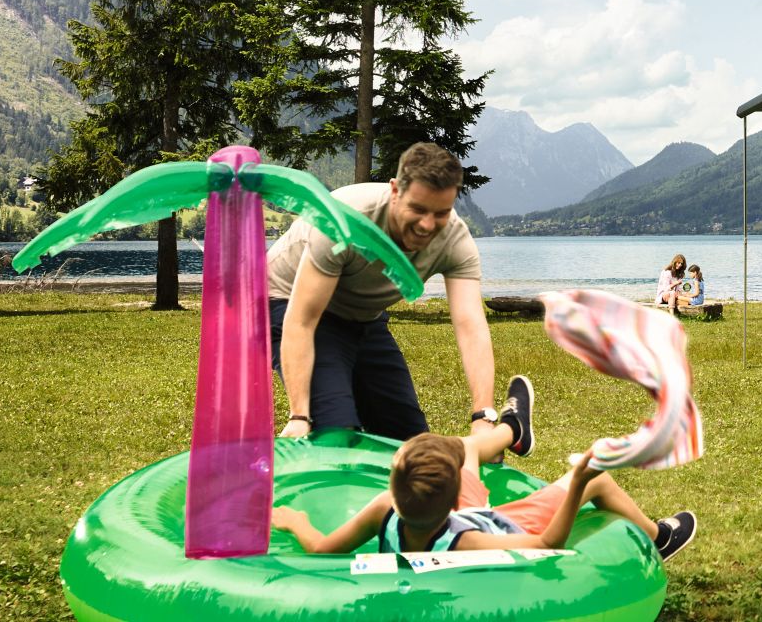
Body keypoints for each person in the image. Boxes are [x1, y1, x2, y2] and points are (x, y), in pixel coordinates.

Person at [270, 386, 697, 560]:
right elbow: (548, 544)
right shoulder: (468, 539)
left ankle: (513, 430)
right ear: (457, 496)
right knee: (602, 479)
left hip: (454, 513)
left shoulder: (385, 507)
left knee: (470, 446)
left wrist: (294, 520)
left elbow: (323, 549)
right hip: (499, 521)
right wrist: (580, 481)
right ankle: (660, 538)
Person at [270, 142, 514, 443]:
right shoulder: (343, 219)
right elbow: (302, 320)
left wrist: (482, 416)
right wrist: (299, 415)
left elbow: (471, 327)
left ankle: (509, 431)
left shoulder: (454, 239)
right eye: (418, 209)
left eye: (441, 213)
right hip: (287, 299)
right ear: (395, 190)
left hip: (363, 316)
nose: (427, 225)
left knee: (410, 442)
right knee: (336, 433)